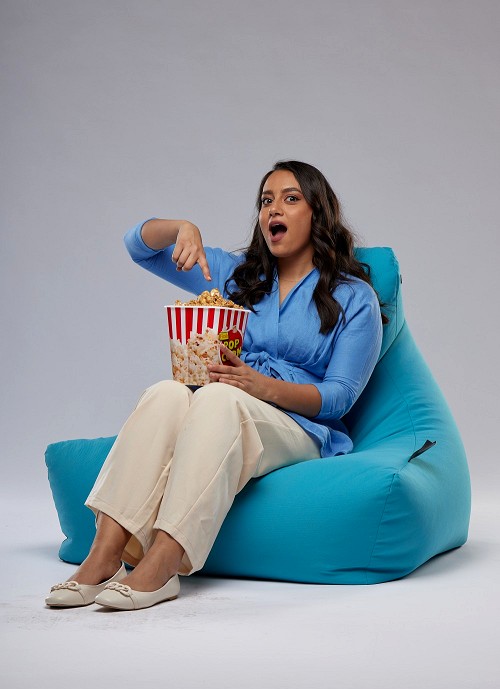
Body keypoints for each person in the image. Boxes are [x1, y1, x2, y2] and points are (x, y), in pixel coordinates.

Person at [45, 160, 384, 611]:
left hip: (301, 427)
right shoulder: (238, 274)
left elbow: (340, 396)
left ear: (317, 213)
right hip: (223, 406)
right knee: (167, 393)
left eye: (290, 199)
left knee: (219, 397)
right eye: (266, 201)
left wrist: (260, 386)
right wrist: (180, 228)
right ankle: (104, 554)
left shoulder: (354, 296)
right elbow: (138, 248)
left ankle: (164, 561)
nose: (273, 210)